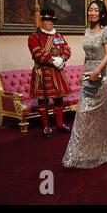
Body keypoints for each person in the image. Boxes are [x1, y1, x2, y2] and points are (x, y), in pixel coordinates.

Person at [62, 0, 107, 169]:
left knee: (103, 116)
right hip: (89, 75)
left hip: (104, 77)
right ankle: (78, 155)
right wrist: (83, 71)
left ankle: (106, 152)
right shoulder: (87, 31)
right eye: (90, 10)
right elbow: (88, 55)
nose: (92, 13)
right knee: (83, 114)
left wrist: (97, 71)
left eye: (95, 10)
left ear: (102, 14)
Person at [28, 8, 72, 138]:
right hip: (43, 71)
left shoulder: (58, 36)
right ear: (41, 21)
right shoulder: (34, 37)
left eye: (52, 20)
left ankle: (59, 124)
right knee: (43, 100)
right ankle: (46, 127)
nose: (50, 23)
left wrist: (62, 59)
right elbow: (37, 53)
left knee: (59, 98)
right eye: (47, 20)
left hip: (57, 71)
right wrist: (53, 60)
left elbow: (67, 49)